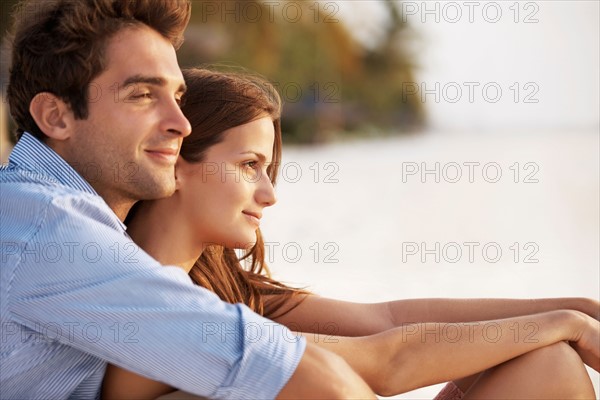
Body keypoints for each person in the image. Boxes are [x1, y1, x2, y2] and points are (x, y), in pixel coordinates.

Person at [102, 67, 600, 399]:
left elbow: (385, 319)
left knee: (546, 362)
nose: (269, 195)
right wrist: (566, 323)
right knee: (548, 353)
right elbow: (388, 359)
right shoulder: (149, 313)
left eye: (268, 170)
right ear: (176, 161)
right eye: (249, 165)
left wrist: (578, 310)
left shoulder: (231, 294)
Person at [0, 1, 376, 399]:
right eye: (143, 94)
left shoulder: (39, 216)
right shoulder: (48, 230)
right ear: (56, 117)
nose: (182, 124)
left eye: (177, 97)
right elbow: (307, 378)